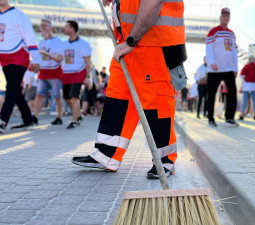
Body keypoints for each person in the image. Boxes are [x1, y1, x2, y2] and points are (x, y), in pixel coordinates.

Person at [72, 0, 186, 179]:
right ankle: (107, 154)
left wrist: (132, 40)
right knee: (118, 98)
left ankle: (164, 160)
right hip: (129, 43)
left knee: (156, 104)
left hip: (154, 43)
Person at [0, 0, 40, 133]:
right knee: (16, 91)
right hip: (4, 59)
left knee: (11, 89)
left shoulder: (20, 15)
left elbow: (30, 37)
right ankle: (28, 120)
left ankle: (2, 121)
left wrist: (35, 59)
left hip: (19, 57)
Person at [206, 8, 239, 127]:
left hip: (229, 69)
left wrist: (235, 68)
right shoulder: (214, 31)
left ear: (229, 18)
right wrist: (211, 62)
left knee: (232, 93)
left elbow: (234, 51)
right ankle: (210, 118)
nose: (225, 18)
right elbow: (209, 48)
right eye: (223, 15)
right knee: (212, 94)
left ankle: (229, 118)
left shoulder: (232, 33)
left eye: (227, 16)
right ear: (220, 18)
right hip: (215, 69)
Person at [32, 19, 64, 126]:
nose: (43, 28)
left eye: (46, 25)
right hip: (43, 73)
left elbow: (59, 58)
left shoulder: (58, 41)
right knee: (39, 95)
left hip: (55, 72)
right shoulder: (41, 42)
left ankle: (59, 117)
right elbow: (39, 58)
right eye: (42, 26)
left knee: (57, 96)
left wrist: (46, 53)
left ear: (51, 28)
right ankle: (35, 117)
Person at [61, 20, 92, 129]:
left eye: (66, 26)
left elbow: (88, 62)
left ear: (72, 29)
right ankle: (78, 115)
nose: (64, 28)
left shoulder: (83, 44)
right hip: (66, 74)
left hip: (79, 73)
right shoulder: (63, 44)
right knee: (67, 98)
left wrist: (88, 77)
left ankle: (74, 120)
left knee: (74, 97)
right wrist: (47, 55)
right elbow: (60, 58)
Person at [239, 56, 255, 120]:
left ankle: (242, 114)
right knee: (254, 100)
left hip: (247, 85)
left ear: (250, 59)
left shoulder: (246, 66)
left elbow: (242, 76)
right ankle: (254, 114)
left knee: (245, 100)